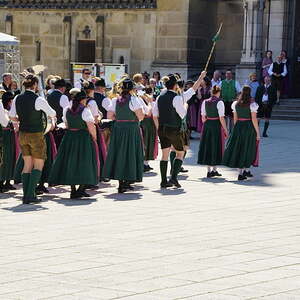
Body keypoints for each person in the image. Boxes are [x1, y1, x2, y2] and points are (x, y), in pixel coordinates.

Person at [153, 71, 206, 189]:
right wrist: (186, 105)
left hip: (162, 128)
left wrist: (158, 128)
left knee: (165, 155)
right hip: (174, 128)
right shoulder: (177, 98)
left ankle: (163, 181)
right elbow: (182, 114)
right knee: (180, 152)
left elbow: (155, 114)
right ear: (175, 85)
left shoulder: (159, 97)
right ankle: (173, 178)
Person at [9, 74, 56, 204]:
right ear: (35, 85)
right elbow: (52, 113)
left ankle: (26, 195)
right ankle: (31, 195)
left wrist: (21, 120)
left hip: (23, 134)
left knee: (27, 164)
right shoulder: (39, 99)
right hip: (36, 134)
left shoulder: (17, 97)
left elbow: (12, 117)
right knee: (38, 164)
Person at [48, 90, 98, 199]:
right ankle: (81, 189)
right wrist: (94, 137)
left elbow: (66, 124)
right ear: (83, 100)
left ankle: (73, 190)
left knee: (70, 162)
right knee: (85, 162)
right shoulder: (85, 111)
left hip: (69, 137)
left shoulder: (67, 110)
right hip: (83, 138)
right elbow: (91, 126)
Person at [103, 79, 145, 193]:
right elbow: (141, 116)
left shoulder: (115, 100)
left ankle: (121, 182)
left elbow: (110, 115)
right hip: (131, 129)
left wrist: (119, 119)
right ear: (132, 89)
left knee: (118, 153)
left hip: (118, 129)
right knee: (130, 153)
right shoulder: (134, 100)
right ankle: (127, 181)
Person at [223, 86, 260, 180]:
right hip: (248, 127)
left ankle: (243, 172)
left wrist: (236, 129)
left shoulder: (236, 103)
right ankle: (243, 172)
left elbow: (235, 119)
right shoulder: (252, 104)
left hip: (238, 127)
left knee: (239, 148)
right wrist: (258, 133)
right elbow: (254, 119)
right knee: (247, 148)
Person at [197, 85, 228, 177]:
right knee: (216, 146)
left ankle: (209, 170)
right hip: (216, 125)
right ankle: (214, 170)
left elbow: (203, 117)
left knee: (208, 146)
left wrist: (207, 124)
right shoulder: (220, 102)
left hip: (207, 125)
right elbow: (221, 118)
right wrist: (226, 129)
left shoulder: (204, 102)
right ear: (218, 92)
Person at [0, 91, 17, 192]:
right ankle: (2, 182)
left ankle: (7, 181)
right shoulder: (2, 107)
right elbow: (5, 122)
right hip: (4, 134)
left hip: (9, 134)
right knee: (5, 158)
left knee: (10, 157)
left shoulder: (8, 109)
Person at [47, 78, 70, 148]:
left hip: (51, 126)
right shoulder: (63, 97)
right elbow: (67, 112)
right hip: (62, 128)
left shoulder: (49, 96)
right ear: (63, 88)